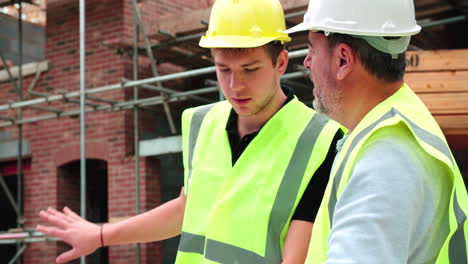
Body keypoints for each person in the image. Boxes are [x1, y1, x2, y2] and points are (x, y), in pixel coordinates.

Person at [37, 0, 342, 263]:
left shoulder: (321, 140)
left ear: (281, 63)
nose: (235, 86)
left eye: (250, 70)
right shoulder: (200, 123)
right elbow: (187, 209)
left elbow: (298, 257)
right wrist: (100, 234)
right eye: (224, 70)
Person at [286, 0, 468, 263]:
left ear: (343, 59)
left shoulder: (386, 161)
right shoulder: (390, 126)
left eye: (312, 50)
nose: (306, 62)